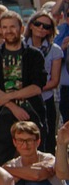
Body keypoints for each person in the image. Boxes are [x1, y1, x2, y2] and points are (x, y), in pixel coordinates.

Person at [0, 9, 46, 166]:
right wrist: (12, 106)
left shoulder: (34, 54)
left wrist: (8, 96)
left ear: (22, 29)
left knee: (37, 159)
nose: (8, 31)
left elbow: (37, 87)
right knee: (3, 159)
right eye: (4, 27)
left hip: (31, 111)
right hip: (4, 113)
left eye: (12, 27)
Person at [25, 12, 63, 142]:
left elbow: (54, 81)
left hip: (46, 98)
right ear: (31, 26)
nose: (41, 28)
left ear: (50, 31)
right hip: (21, 100)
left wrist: (33, 90)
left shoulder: (55, 50)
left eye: (46, 26)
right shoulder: (20, 46)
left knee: (48, 137)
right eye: (38, 24)